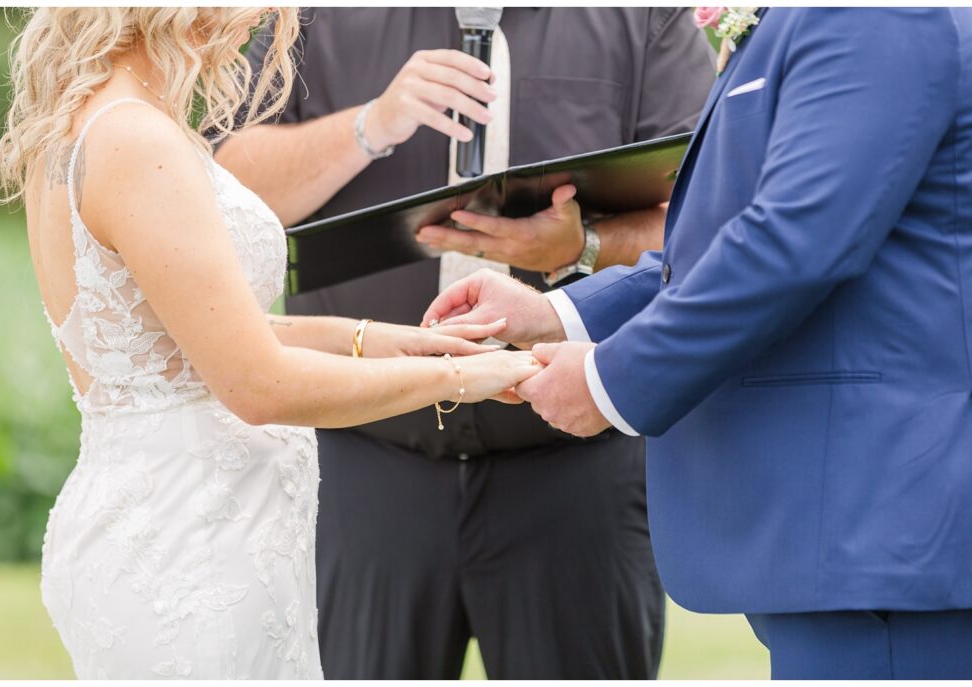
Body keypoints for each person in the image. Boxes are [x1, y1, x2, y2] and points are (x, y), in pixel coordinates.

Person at [425, 7, 972, 680]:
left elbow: (792, 244)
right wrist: (557, 313)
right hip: (847, 539)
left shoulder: (879, 13)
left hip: (888, 530)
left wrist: (611, 381)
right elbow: (725, 236)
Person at [0, 7, 539, 679]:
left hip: (176, 520)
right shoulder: (136, 139)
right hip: (190, 548)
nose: (256, 24)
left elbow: (202, 332)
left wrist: (406, 344)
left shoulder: (96, 119)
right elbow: (258, 384)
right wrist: (464, 381)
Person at [215, 7, 715, 680]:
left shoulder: (643, 16)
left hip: (576, 473)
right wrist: (371, 125)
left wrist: (583, 244)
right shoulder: (311, 15)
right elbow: (224, 190)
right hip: (363, 468)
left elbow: (712, 222)